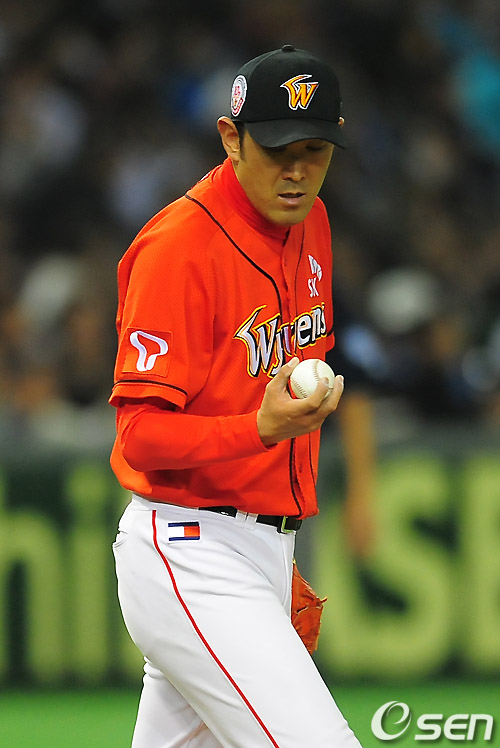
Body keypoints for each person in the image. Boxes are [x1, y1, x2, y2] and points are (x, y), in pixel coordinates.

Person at [110, 45, 362, 748]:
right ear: (231, 137)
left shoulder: (312, 224)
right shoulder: (178, 247)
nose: (296, 170)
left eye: (314, 150)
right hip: (190, 552)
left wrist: (274, 549)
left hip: (256, 548)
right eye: (277, 149)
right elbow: (139, 438)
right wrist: (259, 429)